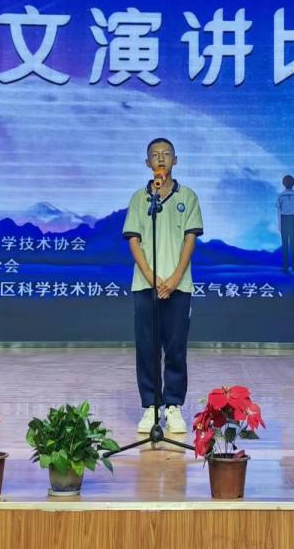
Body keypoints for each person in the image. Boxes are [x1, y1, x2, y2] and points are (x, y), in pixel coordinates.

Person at [122, 138, 203, 435]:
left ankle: (173, 405)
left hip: (179, 287)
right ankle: (151, 406)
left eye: (166, 154)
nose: (160, 159)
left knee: (176, 347)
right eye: (155, 155)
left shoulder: (188, 196)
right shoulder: (139, 198)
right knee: (147, 346)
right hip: (145, 286)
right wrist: (152, 277)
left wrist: (174, 279)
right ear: (147, 163)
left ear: (175, 160)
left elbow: (190, 240)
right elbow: (134, 240)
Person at [276, 174, 294, 272]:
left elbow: (278, 212)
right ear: (293, 184)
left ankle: (285, 266)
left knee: (285, 243)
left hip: (284, 219)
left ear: (283, 184)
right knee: (293, 243)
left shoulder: (280, 196)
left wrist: (279, 225)